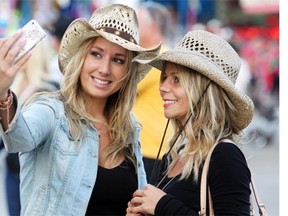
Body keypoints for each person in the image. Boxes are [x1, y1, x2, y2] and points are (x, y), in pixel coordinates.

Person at [0, 3, 160, 215]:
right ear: (81, 58)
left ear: (127, 72)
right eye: (96, 54)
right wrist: (2, 93)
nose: (104, 69)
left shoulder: (128, 127)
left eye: (118, 60)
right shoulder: (52, 111)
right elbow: (20, 138)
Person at [126, 30, 255, 215]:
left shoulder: (224, 156)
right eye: (164, 77)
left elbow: (166, 207)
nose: (163, 87)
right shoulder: (175, 154)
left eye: (176, 79)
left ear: (202, 89)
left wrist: (162, 205)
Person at [133, 1, 174, 180]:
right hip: (153, 148)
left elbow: (121, 86)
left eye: (137, 22)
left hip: (150, 149)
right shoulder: (164, 55)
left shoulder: (157, 56)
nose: (132, 28)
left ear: (152, 26)